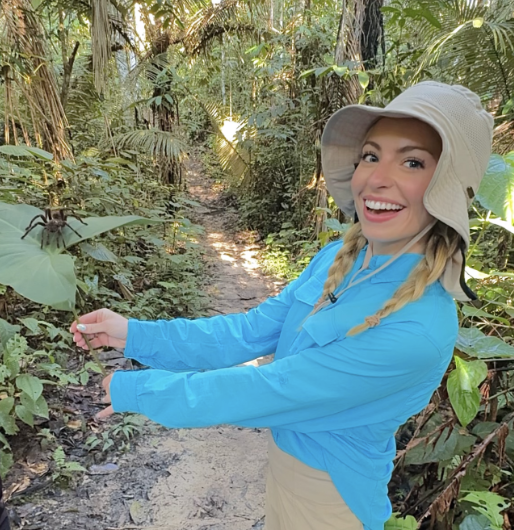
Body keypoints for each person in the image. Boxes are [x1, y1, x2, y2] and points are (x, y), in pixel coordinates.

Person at [71, 82, 494, 530]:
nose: (376, 177)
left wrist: (140, 390)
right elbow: (250, 331)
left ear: (445, 189)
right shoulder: (337, 258)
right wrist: (135, 334)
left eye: (412, 161)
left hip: (332, 503)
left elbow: (268, 390)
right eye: (371, 155)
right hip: (284, 478)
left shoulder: (418, 328)